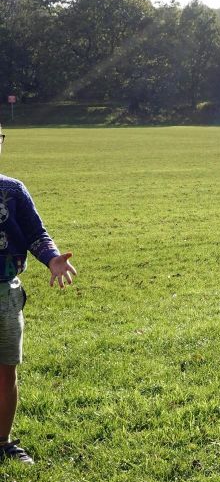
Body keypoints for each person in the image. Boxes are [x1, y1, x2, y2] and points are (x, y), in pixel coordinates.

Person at [0, 125, 76, 465]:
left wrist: (51, 257)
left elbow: (35, 233)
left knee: (5, 371)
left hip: (5, 293)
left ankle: (2, 442)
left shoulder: (12, 191)